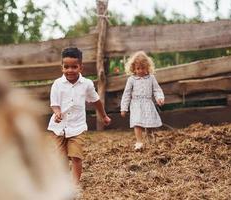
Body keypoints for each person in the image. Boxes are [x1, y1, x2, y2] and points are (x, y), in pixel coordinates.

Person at [48, 47, 111, 185]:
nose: (70, 70)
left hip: (77, 127)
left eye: (74, 67)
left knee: (76, 156)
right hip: (58, 127)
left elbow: (96, 101)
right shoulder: (57, 84)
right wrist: (57, 112)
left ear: (81, 67)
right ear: (62, 67)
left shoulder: (86, 84)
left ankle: (74, 184)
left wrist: (104, 116)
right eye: (66, 67)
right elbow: (54, 104)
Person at [120, 51, 164, 151]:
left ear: (147, 67)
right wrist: (124, 108)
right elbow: (126, 94)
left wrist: (159, 98)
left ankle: (150, 140)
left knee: (149, 123)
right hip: (136, 104)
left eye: (143, 68)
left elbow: (157, 89)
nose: (140, 71)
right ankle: (139, 142)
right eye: (138, 68)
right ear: (133, 68)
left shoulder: (151, 78)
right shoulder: (131, 80)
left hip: (148, 104)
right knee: (137, 123)